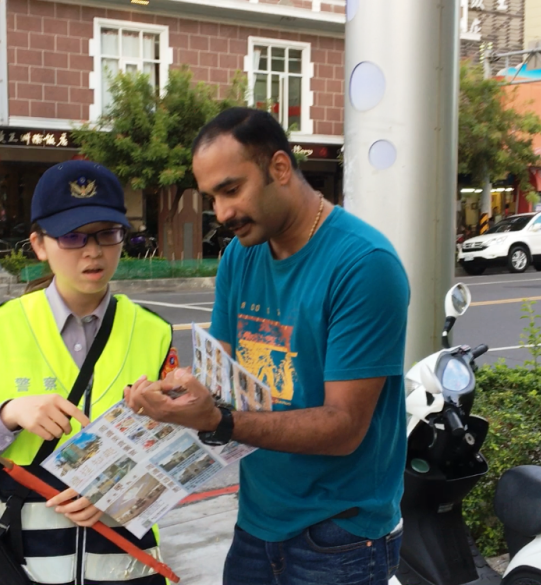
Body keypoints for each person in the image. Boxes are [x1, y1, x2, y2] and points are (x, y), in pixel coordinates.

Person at [126, 107, 411, 585]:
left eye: (232, 190)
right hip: (257, 522)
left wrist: (219, 421)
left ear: (280, 168)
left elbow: (344, 428)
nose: (222, 213)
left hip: (341, 534)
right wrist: (171, 398)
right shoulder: (242, 254)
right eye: (211, 197)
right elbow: (220, 379)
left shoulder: (364, 264)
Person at [0, 160, 175, 585]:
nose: (93, 250)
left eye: (108, 233)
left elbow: (178, 458)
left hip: (124, 569)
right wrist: (8, 414)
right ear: (39, 244)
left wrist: (122, 493)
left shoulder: (154, 333)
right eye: (71, 235)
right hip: (17, 569)